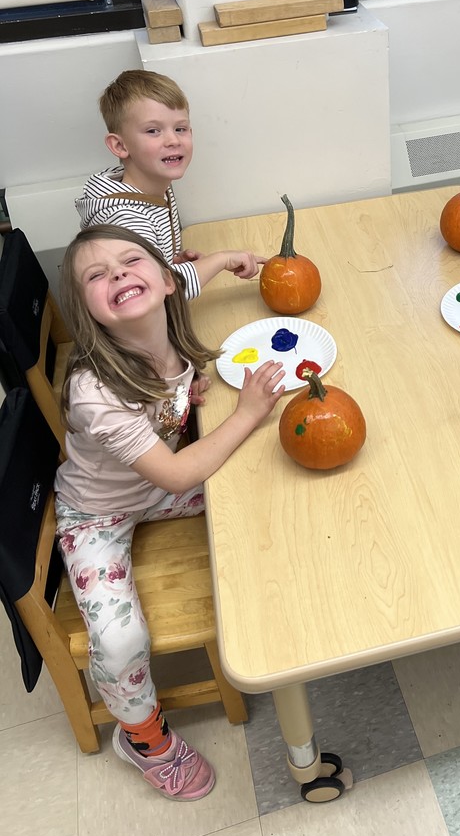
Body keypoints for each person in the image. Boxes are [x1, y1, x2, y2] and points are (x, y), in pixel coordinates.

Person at [54, 224, 286, 799]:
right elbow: (180, 473)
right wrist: (247, 412)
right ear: (88, 311)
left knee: (267, 484)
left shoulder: (170, 317)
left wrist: (231, 258)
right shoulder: (93, 390)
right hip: (97, 516)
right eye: (97, 276)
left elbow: (193, 275)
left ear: (162, 277)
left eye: (131, 261)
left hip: (157, 486)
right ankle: (143, 737)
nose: (118, 275)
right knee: (119, 638)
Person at [76, 69, 266, 299]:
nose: (173, 140)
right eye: (153, 131)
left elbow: (155, 271)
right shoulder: (126, 219)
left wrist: (169, 261)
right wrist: (221, 260)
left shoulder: (154, 183)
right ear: (119, 146)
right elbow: (156, 294)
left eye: (180, 129)